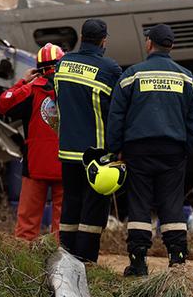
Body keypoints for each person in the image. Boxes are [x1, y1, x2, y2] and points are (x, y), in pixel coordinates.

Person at [105, 24, 193, 277]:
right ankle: (177, 260)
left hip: (138, 150)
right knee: (172, 203)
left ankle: (138, 262)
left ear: (149, 44)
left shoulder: (132, 75)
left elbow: (116, 115)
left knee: (139, 203)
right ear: (171, 46)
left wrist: (115, 148)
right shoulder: (186, 77)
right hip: (173, 150)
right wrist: (187, 147)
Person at [52, 19, 122, 264]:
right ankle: (86, 261)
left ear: (81, 36)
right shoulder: (109, 68)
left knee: (70, 203)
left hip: (67, 150)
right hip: (96, 153)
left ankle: (66, 255)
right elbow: (118, 109)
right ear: (104, 40)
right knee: (93, 206)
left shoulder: (63, 63)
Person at [0, 43, 64, 241]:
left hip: (35, 165)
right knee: (62, 225)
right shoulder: (72, 89)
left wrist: (22, 81)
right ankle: (62, 266)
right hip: (65, 163)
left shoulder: (30, 90)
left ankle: (23, 265)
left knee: (27, 224)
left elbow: (4, 104)